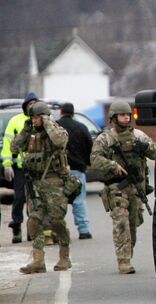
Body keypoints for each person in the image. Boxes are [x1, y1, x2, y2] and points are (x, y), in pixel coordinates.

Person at [91, 101, 156, 274]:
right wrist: (112, 166)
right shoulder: (105, 138)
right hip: (116, 187)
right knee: (121, 222)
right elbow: (95, 158)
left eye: (128, 115)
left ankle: (129, 253)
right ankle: (124, 261)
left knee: (133, 224)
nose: (126, 117)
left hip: (136, 188)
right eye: (122, 115)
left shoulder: (139, 136)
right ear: (114, 118)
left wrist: (146, 148)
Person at [11, 102, 71, 273]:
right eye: (33, 118)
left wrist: (48, 123)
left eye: (38, 117)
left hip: (54, 183)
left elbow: (60, 141)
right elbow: (14, 147)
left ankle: (64, 256)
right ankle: (38, 260)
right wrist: (25, 129)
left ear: (45, 116)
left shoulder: (57, 131)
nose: (35, 121)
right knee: (34, 221)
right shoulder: (30, 134)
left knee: (56, 221)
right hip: (35, 184)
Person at [1, 92, 39, 243]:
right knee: (19, 198)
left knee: (35, 199)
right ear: (25, 106)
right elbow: (8, 144)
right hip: (21, 167)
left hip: (38, 167)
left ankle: (33, 229)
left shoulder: (41, 121)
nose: (32, 107)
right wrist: (7, 164)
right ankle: (16, 226)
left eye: (35, 103)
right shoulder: (15, 121)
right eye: (30, 104)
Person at [57, 102, 93, 239]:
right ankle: (84, 230)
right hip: (78, 169)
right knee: (79, 200)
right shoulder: (81, 127)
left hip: (58, 172)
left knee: (58, 202)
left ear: (61, 112)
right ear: (73, 113)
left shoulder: (55, 127)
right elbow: (90, 147)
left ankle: (58, 232)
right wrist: (87, 163)